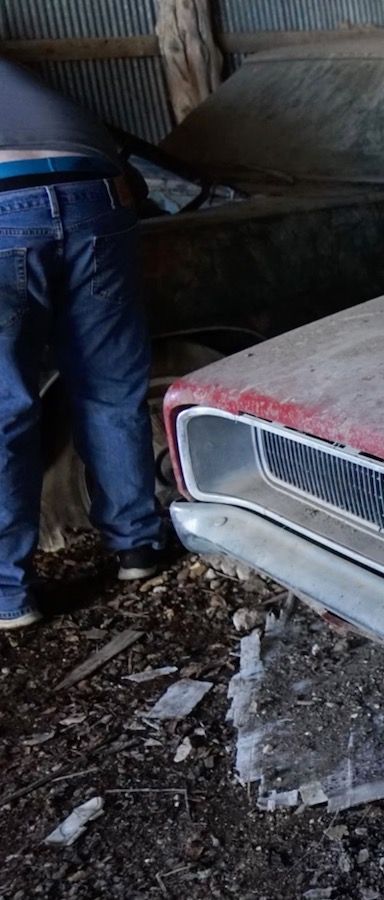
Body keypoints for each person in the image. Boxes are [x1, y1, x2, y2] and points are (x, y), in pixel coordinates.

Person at [1, 58, 163, 630]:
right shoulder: (25, 76)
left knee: (6, 406)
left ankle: (8, 594)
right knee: (111, 390)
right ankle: (138, 548)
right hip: (97, 192)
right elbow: (136, 182)